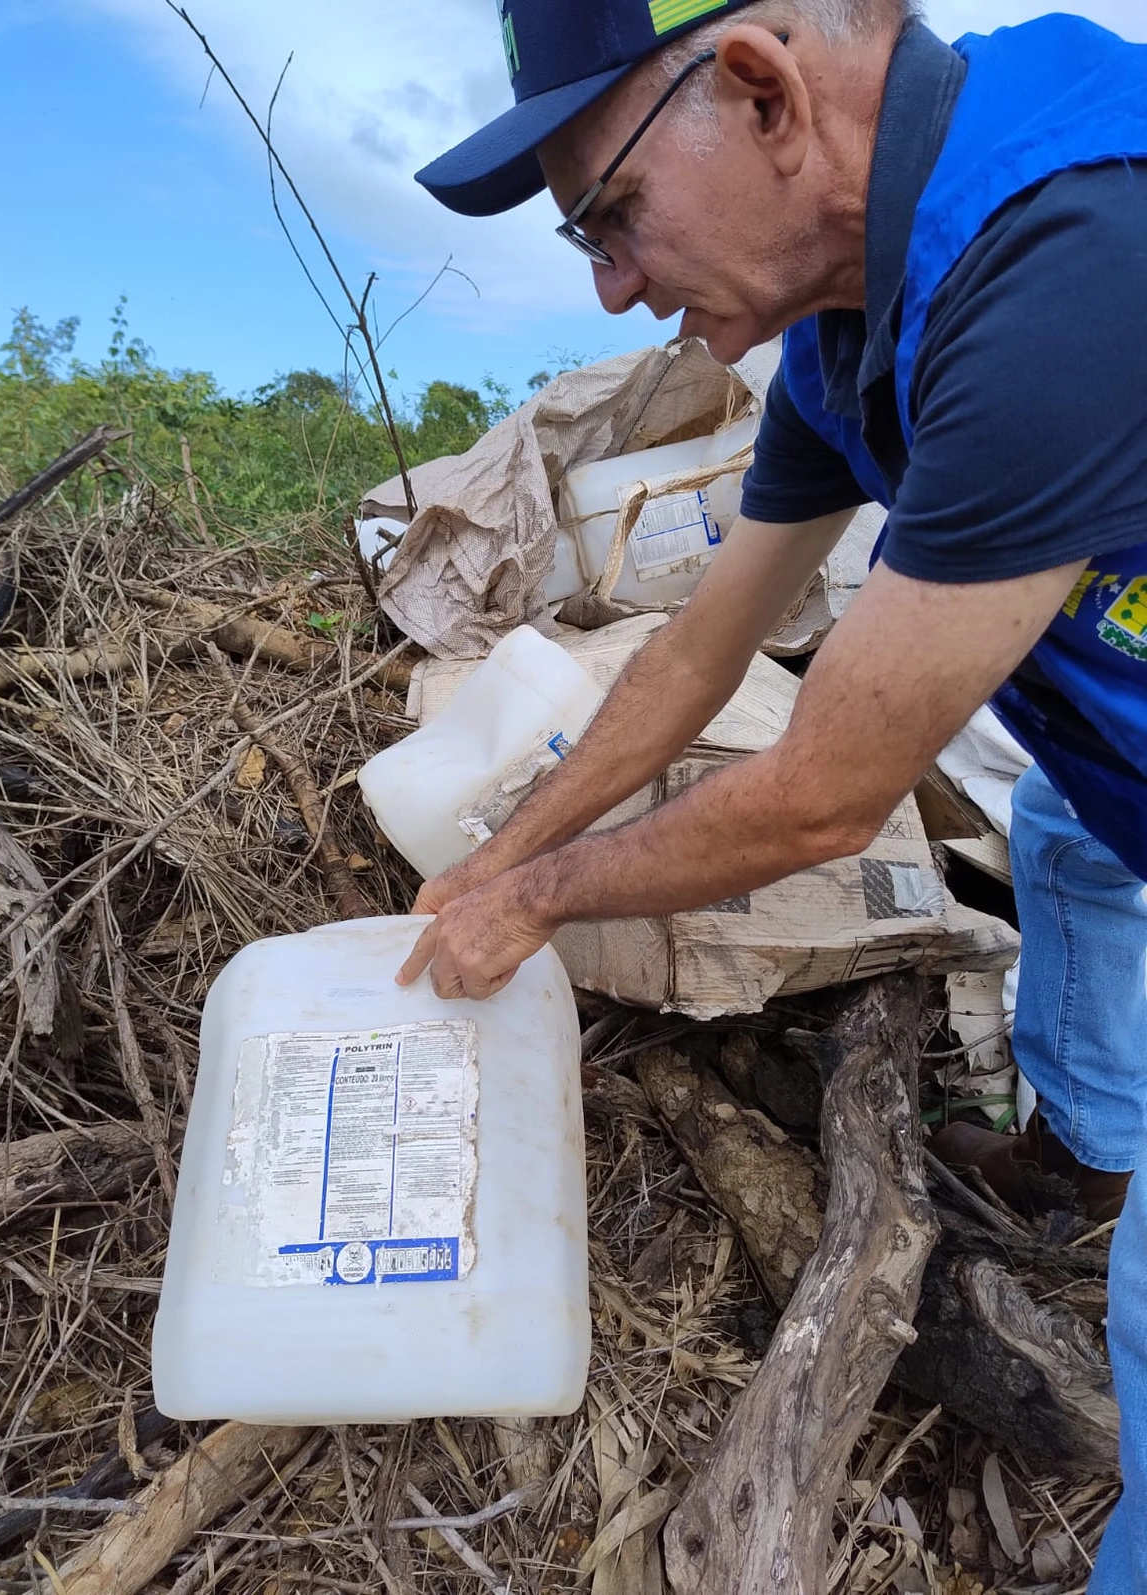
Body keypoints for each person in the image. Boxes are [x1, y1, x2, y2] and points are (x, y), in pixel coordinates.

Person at [406, 1, 1147, 1585]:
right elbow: (695, 650)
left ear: (759, 92)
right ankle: (1090, 1148)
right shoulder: (841, 338)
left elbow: (822, 796)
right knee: (1068, 829)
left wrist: (534, 904)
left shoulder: (1071, 259)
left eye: (611, 213)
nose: (611, 285)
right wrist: (500, 850)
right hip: (1118, 734)